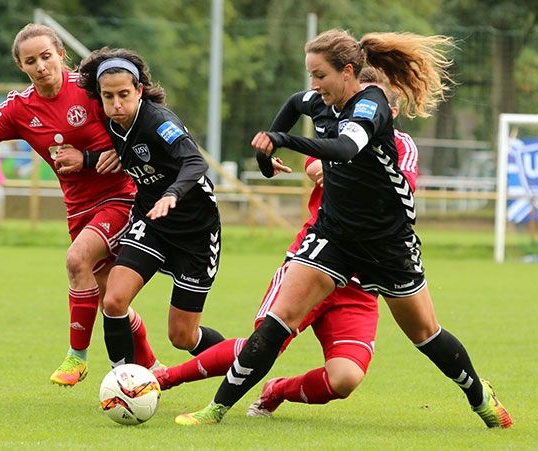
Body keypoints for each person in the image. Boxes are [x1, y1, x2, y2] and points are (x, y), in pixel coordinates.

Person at [177, 29, 512, 429]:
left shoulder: (370, 106)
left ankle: (479, 395)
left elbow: (345, 149)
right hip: (333, 235)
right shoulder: (319, 100)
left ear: (347, 72)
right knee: (278, 320)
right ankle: (215, 410)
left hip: (387, 243)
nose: (314, 86)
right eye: (311, 76)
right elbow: (292, 103)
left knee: (425, 334)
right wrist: (267, 157)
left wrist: (282, 139)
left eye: (320, 76)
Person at [152, 68, 417, 419]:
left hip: (358, 284)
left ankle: (277, 389)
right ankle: (161, 379)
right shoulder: (335, 131)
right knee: (263, 344)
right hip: (315, 262)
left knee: (346, 379)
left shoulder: (402, 148)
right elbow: (315, 166)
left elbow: (403, 188)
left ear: (391, 112)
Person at [0, 23, 158, 386]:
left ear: (61, 55)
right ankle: (153, 367)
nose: (41, 66)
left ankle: (76, 358)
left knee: (76, 260)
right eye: (31, 61)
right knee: (110, 299)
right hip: (78, 210)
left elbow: (139, 122)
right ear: (21, 66)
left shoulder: (92, 89)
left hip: (121, 197)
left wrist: (105, 153)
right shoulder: (18, 109)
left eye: (47, 56)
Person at [76, 47, 225, 369]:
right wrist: (87, 159)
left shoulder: (159, 122)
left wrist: (172, 194)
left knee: (183, 336)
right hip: (150, 223)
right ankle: (122, 382)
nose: (116, 104)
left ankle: (243, 363)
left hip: (195, 231)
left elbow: (195, 161)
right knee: (114, 300)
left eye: (124, 95)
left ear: (140, 90)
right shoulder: (111, 120)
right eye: (108, 96)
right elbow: (127, 156)